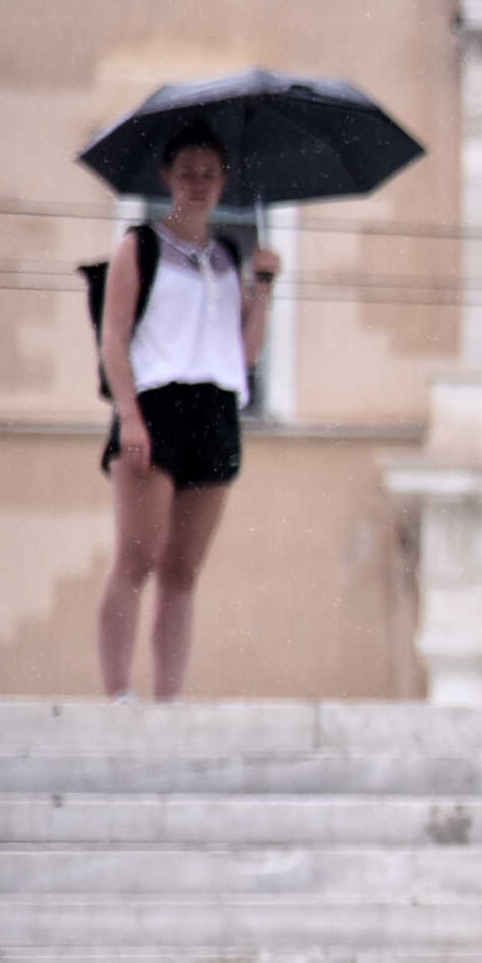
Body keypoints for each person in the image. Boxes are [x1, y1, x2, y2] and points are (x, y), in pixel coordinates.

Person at [94, 120, 278, 701]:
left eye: (209, 174)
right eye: (187, 172)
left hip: (216, 408)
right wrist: (129, 415)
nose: (198, 184)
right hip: (156, 404)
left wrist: (265, 288)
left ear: (223, 181)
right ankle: (119, 693)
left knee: (183, 570)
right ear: (167, 177)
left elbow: (243, 352)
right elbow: (114, 338)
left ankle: (170, 698)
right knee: (136, 558)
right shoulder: (140, 245)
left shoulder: (226, 256)